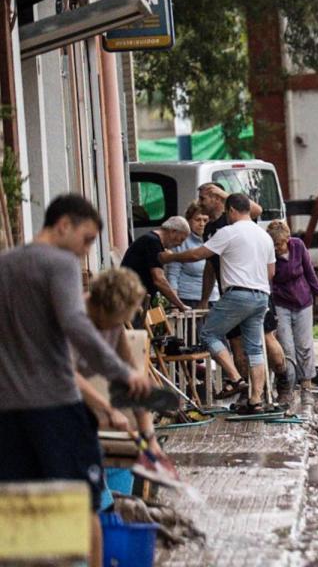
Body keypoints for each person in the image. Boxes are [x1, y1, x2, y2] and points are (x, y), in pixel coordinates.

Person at [0, 194, 152, 567]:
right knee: (80, 506)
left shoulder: (5, 265)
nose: (85, 251)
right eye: (86, 240)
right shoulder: (60, 263)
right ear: (63, 224)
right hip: (55, 407)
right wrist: (122, 373)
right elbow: (75, 323)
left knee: (21, 507)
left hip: (9, 411)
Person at [163, 193, 276, 413]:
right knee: (255, 348)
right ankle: (255, 401)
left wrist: (170, 257)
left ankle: (235, 378)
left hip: (238, 294)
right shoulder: (264, 236)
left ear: (232, 210)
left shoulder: (228, 232)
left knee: (208, 334)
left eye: (227, 212)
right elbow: (271, 272)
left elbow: (198, 255)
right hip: (262, 295)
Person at [75, 268, 169, 469]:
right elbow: (65, 373)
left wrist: (149, 438)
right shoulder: (72, 317)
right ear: (103, 309)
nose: (117, 326)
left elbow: (132, 379)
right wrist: (108, 410)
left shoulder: (113, 323)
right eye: (117, 319)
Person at [266, 221, 318, 404]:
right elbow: (268, 281)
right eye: (274, 245)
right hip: (281, 303)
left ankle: (306, 386)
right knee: (286, 346)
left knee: (304, 345)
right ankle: (288, 387)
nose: (277, 248)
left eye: (279, 244)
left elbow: (310, 272)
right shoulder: (270, 254)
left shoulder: (298, 246)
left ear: (287, 239)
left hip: (303, 301)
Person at [121, 215, 190, 312]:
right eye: (181, 239)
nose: (180, 244)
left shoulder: (152, 241)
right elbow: (159, 280)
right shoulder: (152, 242)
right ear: (173, 232)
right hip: (132, 299)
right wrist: (180, 305)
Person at [166, 201, 219, 308]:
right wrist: (175, 304)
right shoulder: (181, 242)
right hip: (188, 299)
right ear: (189, 221)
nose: (202, 224)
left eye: (205, 220)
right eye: (198, 220)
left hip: (214, 298)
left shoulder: (215, 240)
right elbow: (173, 275)